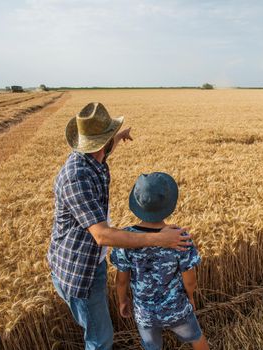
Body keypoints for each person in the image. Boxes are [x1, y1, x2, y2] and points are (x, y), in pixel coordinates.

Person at [47, 102, 192, 350]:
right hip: (80, 271)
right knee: (100, 340)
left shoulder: (93, 157)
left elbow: (103, 149)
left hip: (93, 261)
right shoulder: (76, 177)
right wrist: (159, 238)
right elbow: (102, 236)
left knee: (99, 332)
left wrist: (118, 137)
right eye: (109, 137)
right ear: (99, 144)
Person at [111, 172, 209, 350]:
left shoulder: (125, 239)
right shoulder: (180, 237)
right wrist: (191, 297)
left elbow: (121, 280)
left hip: (144, 313)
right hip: (176, 307)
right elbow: (190, 279)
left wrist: (122, 300)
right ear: (168, 204)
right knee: (196, 337)